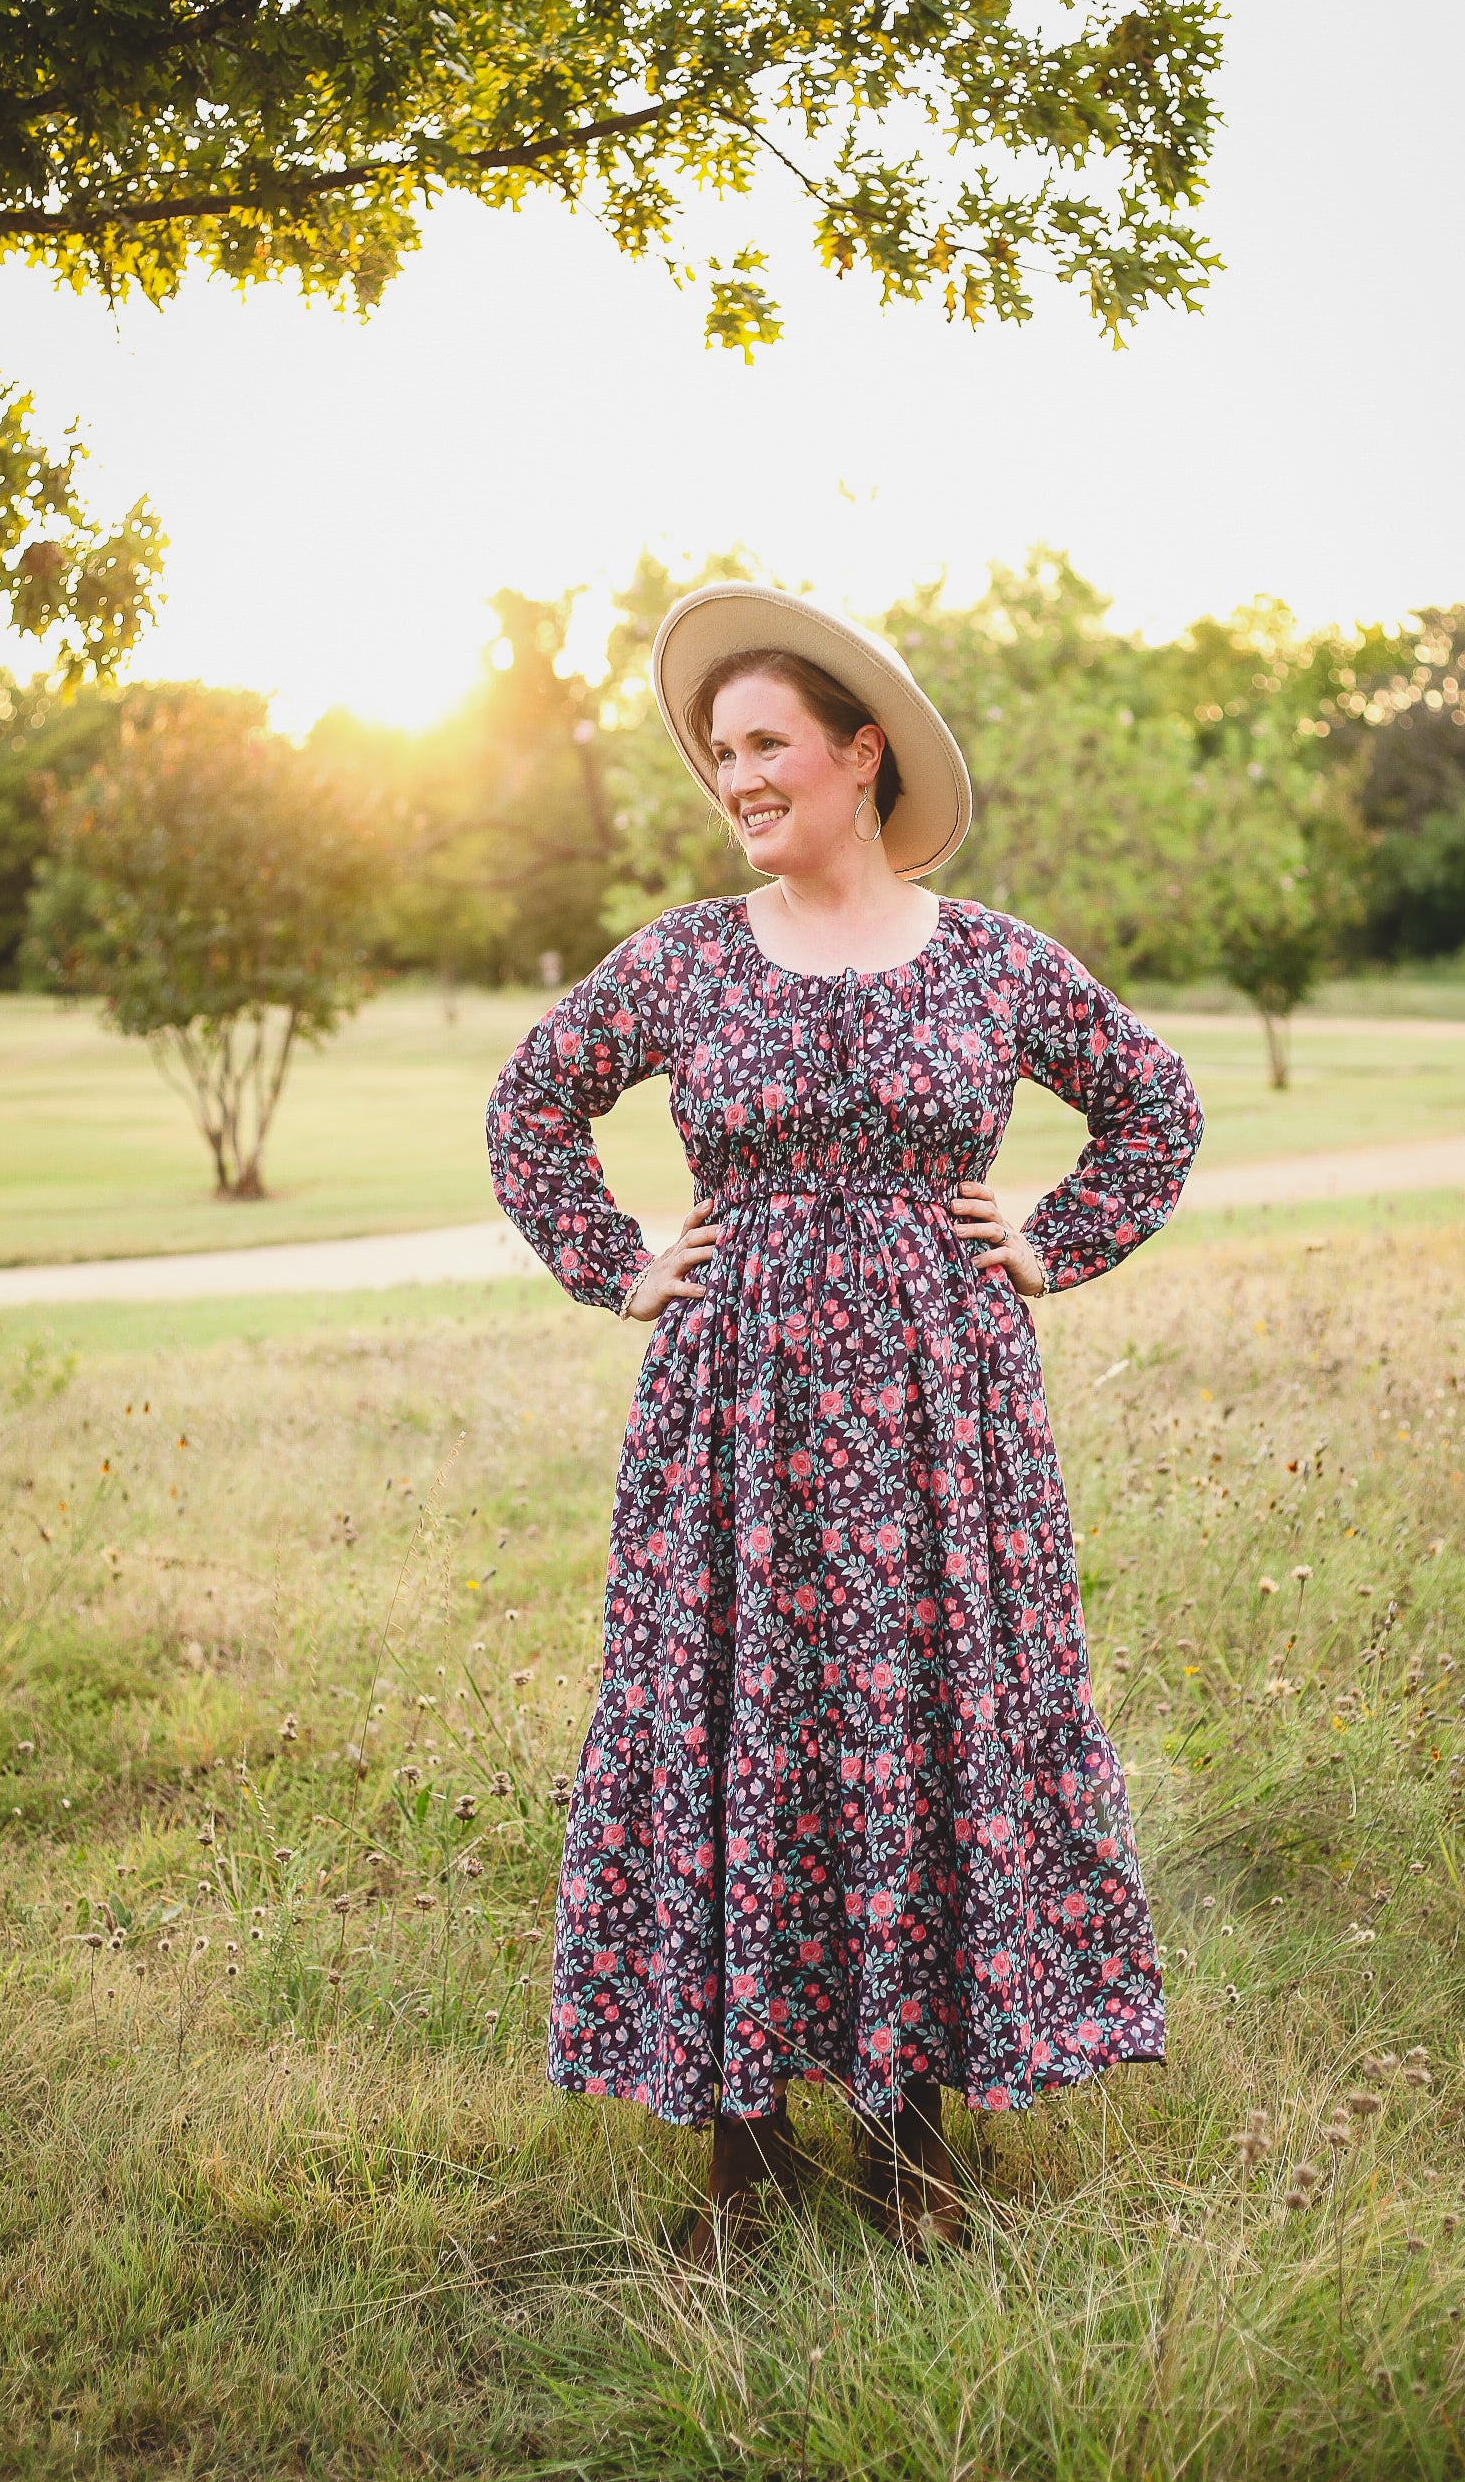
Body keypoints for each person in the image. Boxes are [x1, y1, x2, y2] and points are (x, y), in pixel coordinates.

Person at [486, 582, 1202, 2260]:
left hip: (942, 1419)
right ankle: (743, 2157)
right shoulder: (683, 957)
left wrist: (1054, 1241)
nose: (732, 776)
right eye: (714, 751)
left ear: (857, 752)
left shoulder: (991, 961)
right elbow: (533, 1102)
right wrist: (617, 1260)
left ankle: (911, 2140)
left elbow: (1152, 1102)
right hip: (729, 1420)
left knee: (923, 1732)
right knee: (735, 1721)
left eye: (763, 744)